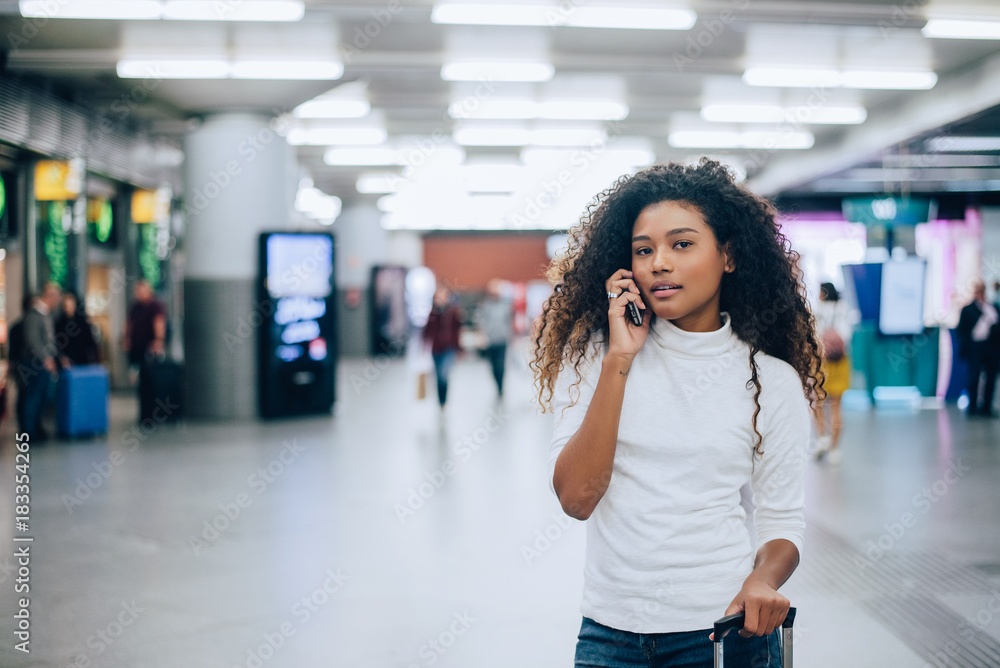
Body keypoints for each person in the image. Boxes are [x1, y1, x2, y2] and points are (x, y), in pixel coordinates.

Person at [531, 160, 822, 667]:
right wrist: (620, 358)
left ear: (728, 256)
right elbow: (577, 498)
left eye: (681, 244)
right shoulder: (598, 357)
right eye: (644, 250)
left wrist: (763, 579)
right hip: (610, 635)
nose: (658, 263)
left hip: (725, 632)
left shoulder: (770, 380)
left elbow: (781, 520)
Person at [813, 282, 852, 463]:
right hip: (840, 361)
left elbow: (813, 335)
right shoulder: (844, 309)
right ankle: (835, 449)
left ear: (823, 293)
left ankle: (822, 437)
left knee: (819, 403)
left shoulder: (817, 310)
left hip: (821, 362)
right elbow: (847, 336)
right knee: (837, 407)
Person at [19, 283, 62, 441]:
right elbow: (33, 340)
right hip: (33, 363)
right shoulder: (33, 315)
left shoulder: (46, 315)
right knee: (33, 397)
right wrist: (45, 358)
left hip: (44, 363)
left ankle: (36, 427)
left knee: (43, 396)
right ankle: (28, 432)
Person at [124, 279, 167, 423]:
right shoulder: (135, 307)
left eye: (141, 290)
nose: (138, 294)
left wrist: (158, 341)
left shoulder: (155, 307)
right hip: (136, 350)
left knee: (150, 383)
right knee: (140, 384)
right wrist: (126, 338)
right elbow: (129, 324)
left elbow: (159, 324)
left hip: (149, 352)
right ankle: (144, 414)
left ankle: (152, 414)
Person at [956, 279, 999, 418]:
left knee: (991, 376)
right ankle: (972, 406)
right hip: (975, 347)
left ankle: (986, 407)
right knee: (973, 376)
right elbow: (962, 331)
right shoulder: (968, 309)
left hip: (991, 348)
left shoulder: (992, 308)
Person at [422, 284, 462, 408]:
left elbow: (458, 330)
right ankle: (441, 402)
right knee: (438, 377)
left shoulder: (453, 312)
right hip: (436, 348)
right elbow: (427, 331)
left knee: (444, 375)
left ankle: (444, 401)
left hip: (449, 348)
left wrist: (460, 348)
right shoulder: (433, 313)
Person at [475, 279, 514, 397]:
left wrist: (511, 335)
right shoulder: (484, 305)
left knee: (501, 365)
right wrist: (481, 336)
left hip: (502, 339)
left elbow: (509, 321)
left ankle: (501, 387)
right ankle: (497, 383)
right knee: (492, 366)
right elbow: (480, 321)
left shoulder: (505, 305)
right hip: (490, 340)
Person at [55, 292, 100, 366]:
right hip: (66, 363)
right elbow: (57, 344)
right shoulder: (59, 323)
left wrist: (95, 361)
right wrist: (62, 358)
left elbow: (91, 343)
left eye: (71, 305)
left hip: (83, 361)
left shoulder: (82, 323)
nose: (69, 309)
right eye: (66, 306)